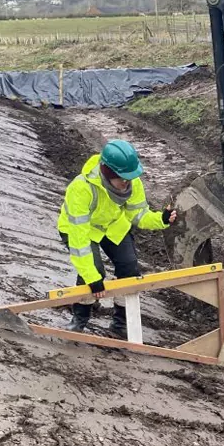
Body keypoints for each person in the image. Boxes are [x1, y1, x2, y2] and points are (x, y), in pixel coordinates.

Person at [57, 139, 177, 337]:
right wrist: (93, 278)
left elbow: (138, 214)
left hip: (112, 226)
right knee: (94, 271)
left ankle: (121, 325)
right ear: (108, 172)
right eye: (122, 178)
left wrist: (161, 219)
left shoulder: (131, 181)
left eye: (130, 178)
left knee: (129, 268)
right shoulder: (81, 189)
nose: (127, 183)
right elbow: (79, 241)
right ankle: (79, 319)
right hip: (80, 229)